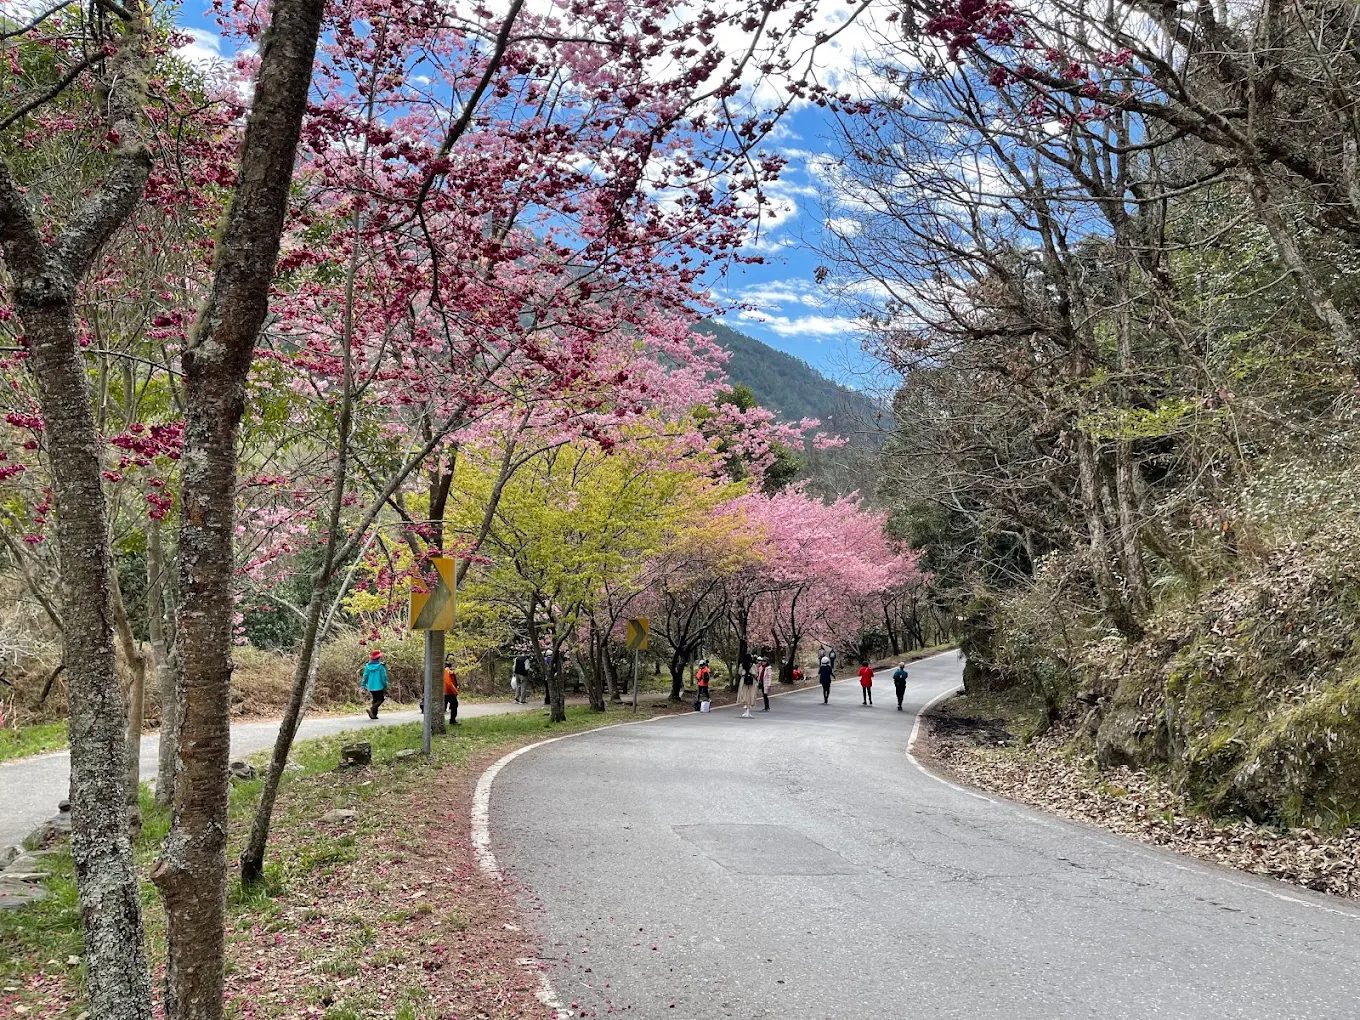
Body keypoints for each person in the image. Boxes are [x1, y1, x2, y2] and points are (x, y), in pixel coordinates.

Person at [362, 648, 389, 719]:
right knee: (381, 699)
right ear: (379, 658)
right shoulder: (380, 666)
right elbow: (384, 677)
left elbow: (365, 676)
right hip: (379, 686)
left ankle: (374, 715)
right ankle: (372, 708)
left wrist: (363, 684)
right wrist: (385, 684)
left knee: (375, 699)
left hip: (371, 686)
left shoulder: (367, 666)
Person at [444, 656, 460, 725]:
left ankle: (452, 720)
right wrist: (455, 691)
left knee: (452, 705)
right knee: (454, 705)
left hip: (447, 692)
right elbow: (448, 683)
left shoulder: (449, 671)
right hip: (448, 692)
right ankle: (452, 721)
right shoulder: (447, 671)